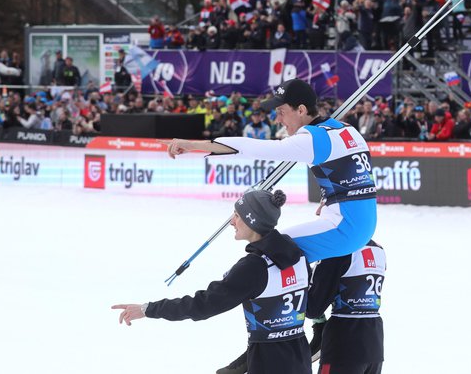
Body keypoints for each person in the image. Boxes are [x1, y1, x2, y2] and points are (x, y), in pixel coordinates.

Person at [163, 79, 378, 373]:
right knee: (283, 253)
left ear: (301, 110)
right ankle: (311, 327)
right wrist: (333, 199)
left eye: (282, 111)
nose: (277, 118)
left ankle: (270, 345)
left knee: (271, 253)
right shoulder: (345, 130)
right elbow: (358, 175)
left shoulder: (310, 139)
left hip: (346, 227)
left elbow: (252, 148)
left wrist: (192, 145)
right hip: (359, 220)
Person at [112, 189, 312, 374]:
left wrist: (149, 309)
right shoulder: (299, 256)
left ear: (252, 221)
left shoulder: (253, 267)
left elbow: (202, 305)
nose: (231, 222)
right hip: (300, 360)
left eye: (237, 215)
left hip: (268, 365)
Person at [307, 241, 386, 374]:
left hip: (343, 343)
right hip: (374, 342)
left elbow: (312, 308)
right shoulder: (378, 249)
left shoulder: (337, 248)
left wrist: (319, 322)